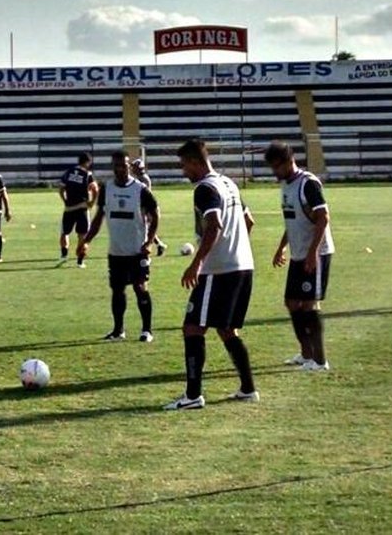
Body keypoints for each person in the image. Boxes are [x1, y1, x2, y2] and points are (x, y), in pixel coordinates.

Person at [165, 139, 258, 410]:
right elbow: (248, 221)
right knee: (228, 329)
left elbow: (214, 226)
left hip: (218, 270)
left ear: (195, 161)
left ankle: (193, 396)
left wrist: (197, 264)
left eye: (184, 165)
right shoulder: (228, 183)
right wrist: (235, 248)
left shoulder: (205, 188)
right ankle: (248, 389)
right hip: (242, 265)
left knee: (193, 327)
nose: (183, 171)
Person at [265, 141, 335, 372]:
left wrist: (313, 253)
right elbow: (293, 219)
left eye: (277, 167)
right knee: (292, 303)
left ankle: (320, 360)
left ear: (288, 161)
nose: (275, 172)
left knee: (308, 304)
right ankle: (306, 354)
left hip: (316, 253)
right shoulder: (286, 185)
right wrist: (281, 247)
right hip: (298, 253)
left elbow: (323, 218)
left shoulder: (308, 184)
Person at [79, 150, 160, 342]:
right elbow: (99, 217)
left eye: (123, 165)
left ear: (129, 166)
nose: (119, 169)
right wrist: (86, 241)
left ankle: (147, 330)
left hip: (137, 250)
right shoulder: (106, 189)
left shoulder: (140, 189)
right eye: (116, 166)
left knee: (140, 287)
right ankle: (118, 331)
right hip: (116, 251)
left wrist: (148, 242)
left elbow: (155, 215)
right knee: (117, 290)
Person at [58, 152, 98, 268]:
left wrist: (65, 200)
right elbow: (95, 189)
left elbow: (61, 189)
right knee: (82, 235)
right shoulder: (87, 175)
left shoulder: (69, 172)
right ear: (88, 162)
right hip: (82, 208)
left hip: (69, 208)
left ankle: (63, 255)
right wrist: (92, 202)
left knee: (64, 232)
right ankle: (80, 261)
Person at [131, 158, 168, 257]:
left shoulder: (143, 179)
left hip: (147, 207)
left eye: (134, 167)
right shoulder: (139, 178)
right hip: (142, 207)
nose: (132, 169)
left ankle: (152, 245)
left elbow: (144, 195)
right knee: (146, 228)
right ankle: (159, 245)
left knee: (145, 228)